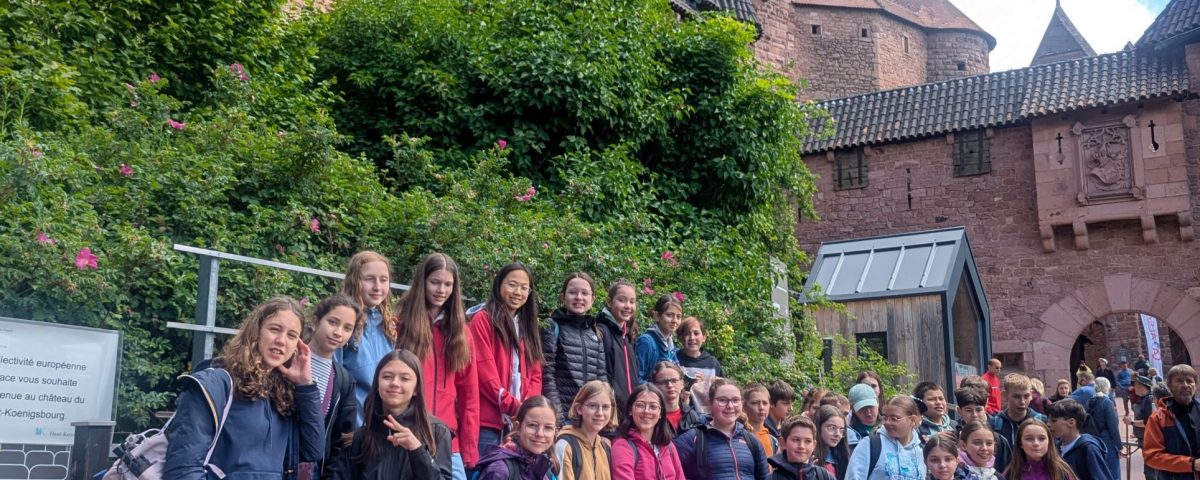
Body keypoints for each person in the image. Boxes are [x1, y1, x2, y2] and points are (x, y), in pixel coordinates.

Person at [164, 297, 325, 480]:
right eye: (274, 329)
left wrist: (305, 385)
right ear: (256, 331)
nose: (281, 341)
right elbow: (183, 469)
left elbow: (312, 450)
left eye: (292, 335)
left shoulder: (285, 393)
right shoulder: (216, 384)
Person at [393, 253, 479, 478]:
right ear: (422, 282)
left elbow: (469, 394)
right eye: (435, 282)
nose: (441, 290)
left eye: (448, 284)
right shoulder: (400, 324)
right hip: (406, 431)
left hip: (447, 438)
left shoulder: (462, 333)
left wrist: (469, 448)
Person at [334, 350, 453, 480]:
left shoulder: (436, 431)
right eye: (387, 377)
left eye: (404, 378)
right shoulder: (360, 438)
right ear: (377, 384)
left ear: (416, 389)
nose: (395, 383)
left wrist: (417, 451)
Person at [469, 262, 544, 456]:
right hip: (488, 422)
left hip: (518, 424)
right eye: (512, 285)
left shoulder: (527, 326)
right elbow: (483, 370)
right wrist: (514, 405)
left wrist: (527, 406)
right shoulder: (483, 320)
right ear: (499, 285)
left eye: (524, 288)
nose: (518, 292)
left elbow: (536, 374)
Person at [337, 251, 398, 425]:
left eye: (383, 280)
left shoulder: (388, 326)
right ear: (355, 281)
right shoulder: (342, 324)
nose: (377, 287)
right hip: (351, 428)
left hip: (381, 428)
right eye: (369, 279)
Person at [305, 295, 362, 480]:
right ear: (315, 321)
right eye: (333, 322)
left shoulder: (344, 381)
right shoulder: (287, 362)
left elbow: (342, 441)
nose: (338, 332)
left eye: (347, 328)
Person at [542, 273, 608, 423]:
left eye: (584, 293)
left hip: (589, 417)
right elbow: (547, 374)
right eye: (572, 292)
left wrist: (604, 413)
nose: (579, 297)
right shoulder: (552, 326)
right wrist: (557, 416)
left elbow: (602, 378)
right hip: (563, 416)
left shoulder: (595, 333)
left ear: (592, 299)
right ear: (563, 297)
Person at [674, 378, 770, 480]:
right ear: (710, 403)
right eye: (722, 400)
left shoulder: (751, 440)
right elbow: (668, 472)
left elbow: (765, 477)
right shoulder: (694, 438)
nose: (730, 406)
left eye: (735, 400)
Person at [611, 383, 686, 480]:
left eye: (653, 407)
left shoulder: (668, 446)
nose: (646, 411)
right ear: (630, 410)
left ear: (660, 413)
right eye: (640, 405)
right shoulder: (622, 446)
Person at [473, 396, 559, 480]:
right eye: (532, 425)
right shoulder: (499, 471)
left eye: (548, 428)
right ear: (517, 427)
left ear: (555, 432)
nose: (540, 434)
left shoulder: (544, 469)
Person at [846, 395, 925, 480]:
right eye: (885, 417)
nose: (887, 422)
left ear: (913, 420)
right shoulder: (870, 444)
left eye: (894, 419)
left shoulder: (921, 450)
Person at [1143, 364, 1200, 480]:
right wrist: (1191, 464)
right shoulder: (1158, 418)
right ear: (1170, 386)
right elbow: (1152, 456)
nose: (1185, 385)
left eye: (1189, 381)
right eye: (1179, 381)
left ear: (1196, 386)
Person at [554, 381, 616, 480]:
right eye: (592, 406)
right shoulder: (565, 446)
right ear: (579, 409)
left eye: (605, 407)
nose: (600, 413)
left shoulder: (604, 448)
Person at [596, 280, 639, 418]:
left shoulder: (628, 336)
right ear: (609, 302)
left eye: (632, 302)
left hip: (629, 412)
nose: (628, 306)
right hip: (612, 413)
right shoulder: (602, 332)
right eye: (622, 300)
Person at [1046, 400, 1112, 480]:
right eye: (1048, 420)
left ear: (1071, 422)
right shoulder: (1055, 447)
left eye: (1053, 421)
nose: (1048, 424)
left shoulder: (1089, 448)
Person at [955, 386, 1013, 471]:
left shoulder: (999, 440)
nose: (974, 415)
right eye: (968, 410)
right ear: (959, 411)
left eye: (978, 410)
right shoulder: (953, 438)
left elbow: (1008, 469)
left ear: (985, 408)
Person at [676, 316, 722, 413]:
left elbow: (721, 391)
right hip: (683, 413)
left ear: (704, 337)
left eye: (696, 333)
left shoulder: (712, 363)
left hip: (708, 415)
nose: (692, 338)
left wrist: (705, 382)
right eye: (687, 334)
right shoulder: (675, 360)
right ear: (681, 338)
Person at [767, 415, 836, 480]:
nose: (801, 446)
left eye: (808, 441)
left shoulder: (826, 477)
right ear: (783, 443)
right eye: (796, 440)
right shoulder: (773, 478)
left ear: (814, 445)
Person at [990, 373, 1047, 451]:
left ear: (1031, 395)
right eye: (1017, 397)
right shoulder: (995, 424)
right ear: (1005, 395)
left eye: (1026, 396)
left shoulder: (1042, 421)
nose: (1022, 402)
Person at [635, 295, 682, 383]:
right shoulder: (646, 342)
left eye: (678, 317)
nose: (675, 320)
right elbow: (636, 379)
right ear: (657, 316)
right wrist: (658, 388)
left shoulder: (672, 348)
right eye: (669, 315)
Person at [652, 361, 703, 433]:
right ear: (655, 386)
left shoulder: (691, 415)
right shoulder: (650, 415)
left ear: (682, 384)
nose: (670, 385)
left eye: (674, 381)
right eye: (663, 382)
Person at [1123, 375, 1156, 480]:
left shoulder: (1149, 400)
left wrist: (1131, 422)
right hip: (1143, 439)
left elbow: (1149, 422)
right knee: (1149, 470)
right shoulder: (1142, 399)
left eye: (1136, 385)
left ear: (1142, 386)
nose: (1134, 388)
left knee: (1151, 472)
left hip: (1150, 440)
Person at [813, 405, 850, 480]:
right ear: (818, 427)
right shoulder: (808, 458)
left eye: (841, 430)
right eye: (832, 428)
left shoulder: (842, 458)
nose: (838, 434)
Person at [743, 382, 777, 457]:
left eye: (765, 403)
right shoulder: (739, 436)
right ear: (744, 406)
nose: (761, 407)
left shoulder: (773, 441)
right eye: (754, 403)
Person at [846, 383, 879, 448]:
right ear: (853, 409)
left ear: (877, 402)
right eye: (862, 408)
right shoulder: (849, 434)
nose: (868, 412)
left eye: (871, 406)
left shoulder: (889, 427)